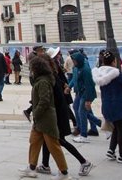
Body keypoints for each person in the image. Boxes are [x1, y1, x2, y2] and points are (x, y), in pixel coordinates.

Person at [38, 48, 93, 177]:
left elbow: (51, 98)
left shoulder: (50, 77)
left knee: (58, 140)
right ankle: (45, 165)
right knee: (47, 139)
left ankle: (84, 161)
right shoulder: (52, 74)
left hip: (56, 114)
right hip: (57, 112)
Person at [18, 56, 70, 179]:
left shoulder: (43, 82)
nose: (30, 70)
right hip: (40, 119)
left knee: (53, 145)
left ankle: (64, 172)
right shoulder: (41, 80)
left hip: (46, 118)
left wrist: (36, 113)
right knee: (34, 141)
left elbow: (44, 100)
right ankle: (31, 167)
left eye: (31, 67)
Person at [92, 49, 122, 164]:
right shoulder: (116, 74)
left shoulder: (99, 73)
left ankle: (111, 151)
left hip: (107, 106)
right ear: (114, 61)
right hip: (120, 106)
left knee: (116, 128)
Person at [69, 51, 101, 142]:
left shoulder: (85, 69)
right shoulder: (76, 67)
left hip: (85, 93)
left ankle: (83, 134)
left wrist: (88, 99)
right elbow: (74, 79)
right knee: (79, 109)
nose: (73, 63)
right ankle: (101, 125)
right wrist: (69, 86)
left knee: (82, 111)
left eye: (74, 61)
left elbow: (89, 85)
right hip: (79, 92)